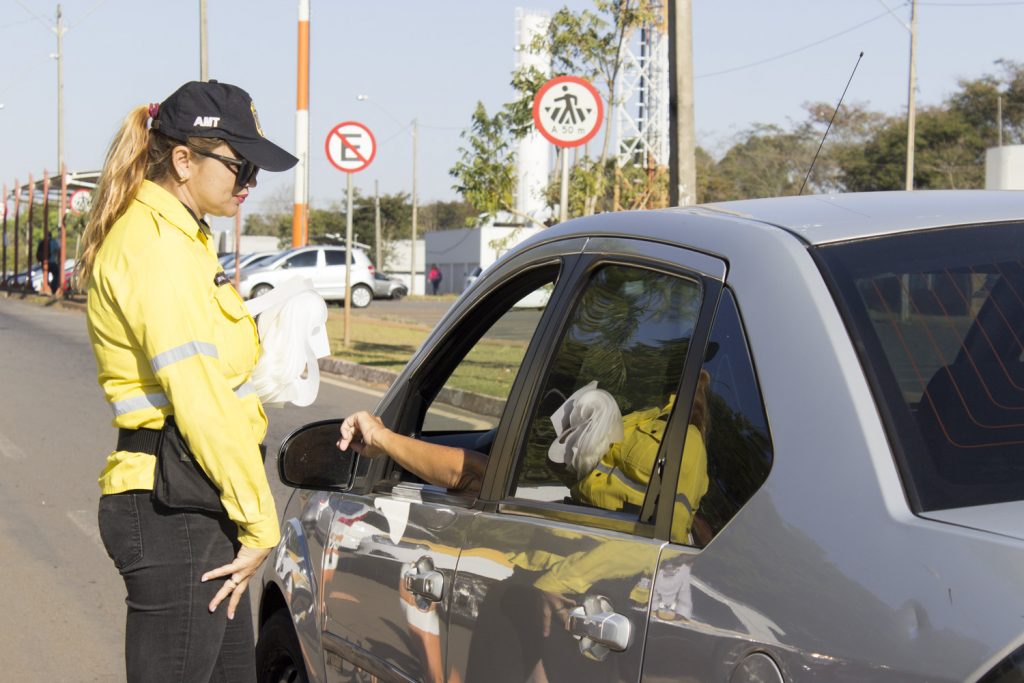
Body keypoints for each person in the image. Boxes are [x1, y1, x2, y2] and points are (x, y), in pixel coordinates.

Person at [80, 80, 297, 683]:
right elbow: (199, 398)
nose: (248, 181)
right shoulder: (155, 248)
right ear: (183, 159)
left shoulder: (185, 241)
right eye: (239, 164)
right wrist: (260, 520)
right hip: (171, 507)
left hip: (200, 500)